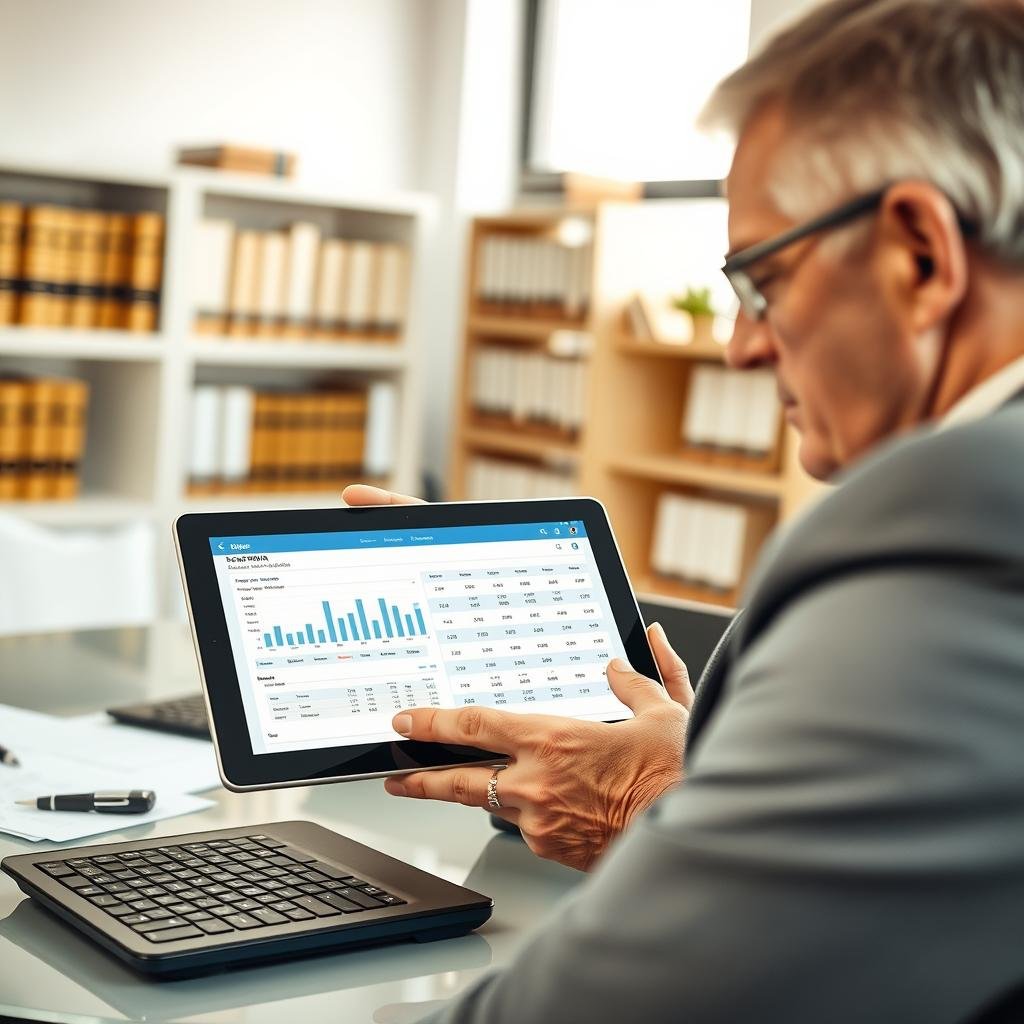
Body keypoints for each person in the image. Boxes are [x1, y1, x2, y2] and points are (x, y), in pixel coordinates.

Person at [346, 0, 1024, 1018]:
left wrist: (661, 799)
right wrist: (709, 759)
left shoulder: (959, 525)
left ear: (919, 254)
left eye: (761, 279)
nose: (739, 346)